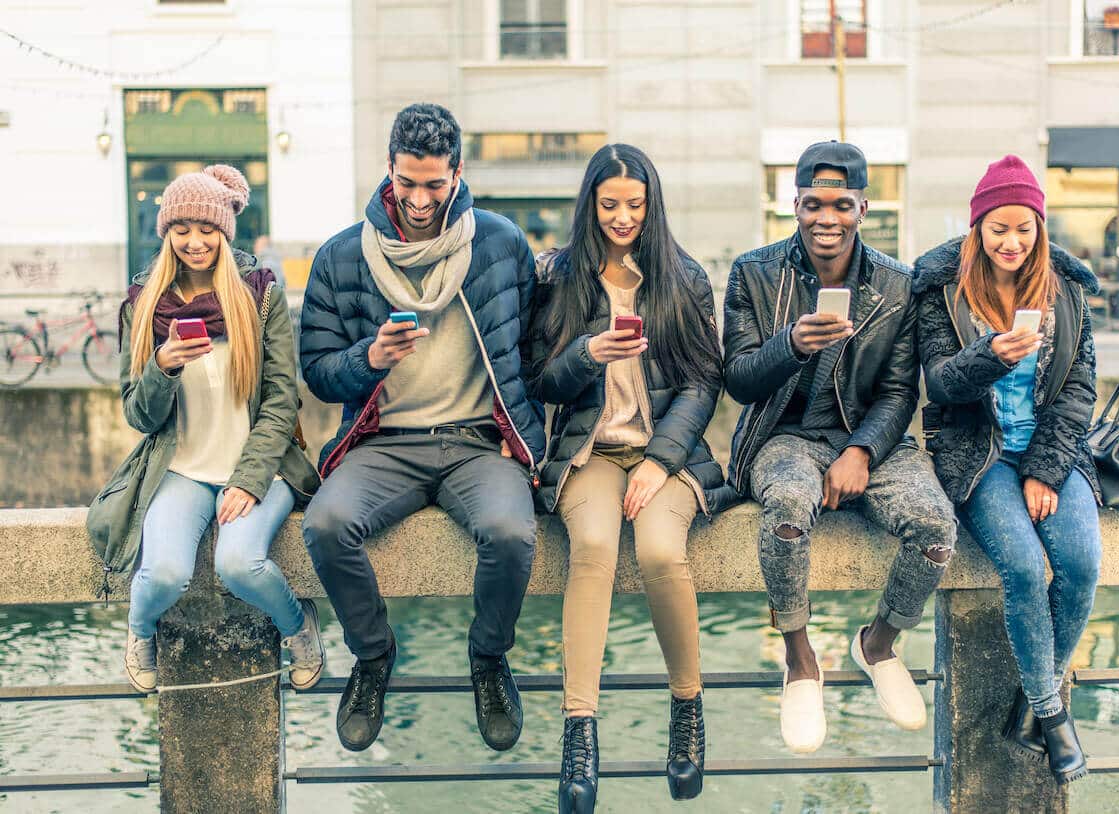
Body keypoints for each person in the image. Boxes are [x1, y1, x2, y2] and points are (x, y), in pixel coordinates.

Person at [299, 103, 546, 753]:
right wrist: (368, 359)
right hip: (383, 443)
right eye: (407, 182)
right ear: (389, 170)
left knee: (511, 532)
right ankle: (374, 657)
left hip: (475, 443)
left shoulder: (499, 243)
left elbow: (533, 349)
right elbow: (318, 374)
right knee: (325, 524)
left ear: (459, 175)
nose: (418, 198)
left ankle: (489, 660)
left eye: (434, 184)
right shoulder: (342, 256)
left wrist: (522, 435)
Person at [722, 141, 958, 753]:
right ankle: (800, 658)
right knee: (787, 512)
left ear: (863, 207)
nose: (826, 218)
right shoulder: (754, 271)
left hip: (865, 437)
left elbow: (902, 390)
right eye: (812, 204)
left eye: (841, 204)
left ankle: (878, 643)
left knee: (935, 527)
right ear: (794, 205)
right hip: (783, 436)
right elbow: (739, 378)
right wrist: (791, 345)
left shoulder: (897, 284)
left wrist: (862, 451)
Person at [530, 144, 733, 813]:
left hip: (664, 457)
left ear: (652, 205)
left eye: (635, 205)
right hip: (590, 453)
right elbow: (542, 382)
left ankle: (687, 709)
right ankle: (579, 734)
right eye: (609, 204)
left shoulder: (683, 277)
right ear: (590, 204)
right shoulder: (561, 277)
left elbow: (705, 382)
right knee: (591, 550)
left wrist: (659, 461)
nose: (622, 217)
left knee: (658, 551)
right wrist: (588, 353)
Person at [87, 164, 323, 694]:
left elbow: (283, 399)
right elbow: (139, 416)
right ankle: (140, 631)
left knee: (239, 563)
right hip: (182, 469)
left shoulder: (259, 294)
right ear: (166, 232)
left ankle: (298, 626)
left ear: (225, 231)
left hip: (260, 467)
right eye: (182, 229)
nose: (195, 242)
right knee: (164, 573)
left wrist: (247, 480)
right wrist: (163, 367)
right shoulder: (143, 303)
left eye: (207, 229)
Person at [913, 155, 1100, 786]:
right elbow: (938, 384)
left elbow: (1078, 389)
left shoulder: (1067, 291)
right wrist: (988, 358)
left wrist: (1046, 471)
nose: (1011, 242)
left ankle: (1031, 698)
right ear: (978, 230)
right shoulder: (942, 289)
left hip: (1050, 449)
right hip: (979, 451)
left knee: (1079, 563)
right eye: (998, 229)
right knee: (1021, 566)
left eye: (1024, 228)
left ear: (1040, 229)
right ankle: (1051, 713)